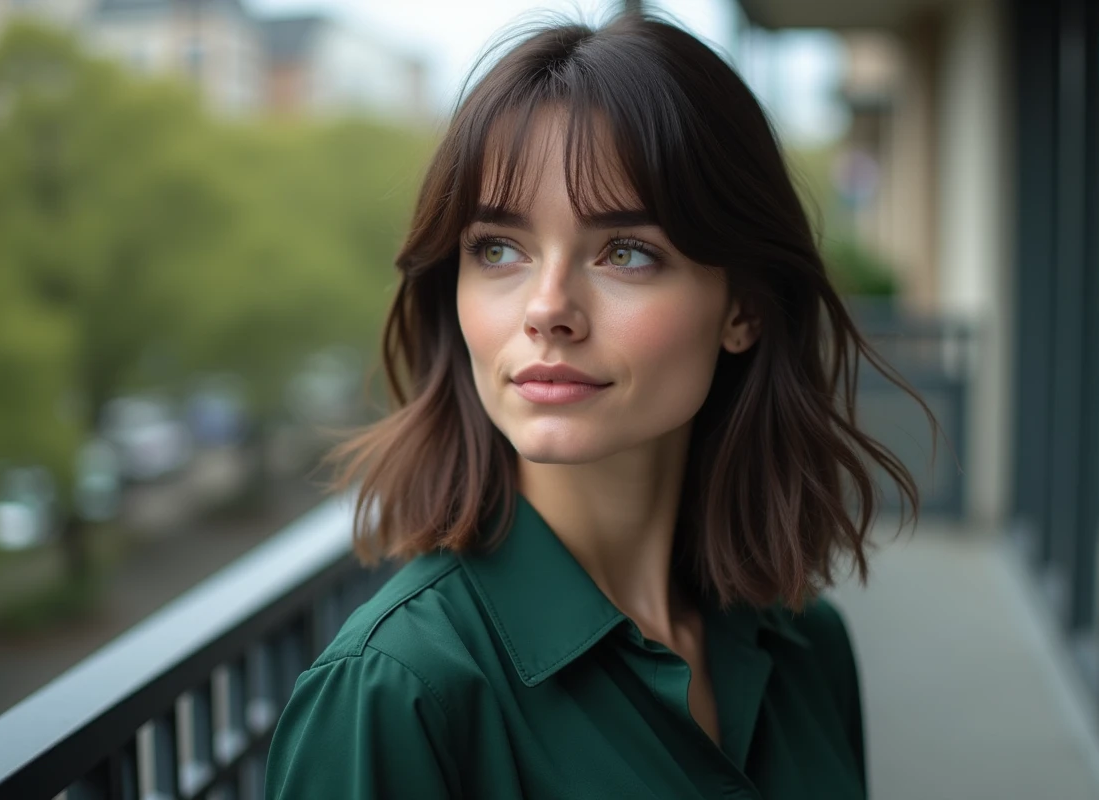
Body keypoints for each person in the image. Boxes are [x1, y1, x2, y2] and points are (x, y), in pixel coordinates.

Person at [265, 11, 934, 800]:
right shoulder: (394, 695)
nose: (548, 308)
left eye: (626, 252)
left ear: (744, 309)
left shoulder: (807, 648)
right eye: (499, 249)